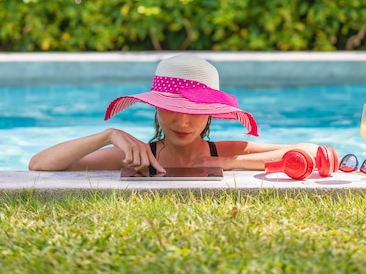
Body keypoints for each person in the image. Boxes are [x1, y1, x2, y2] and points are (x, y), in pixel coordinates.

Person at [28, 53, 318, 172]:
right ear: (156, 108)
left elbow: (313, 150)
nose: (183, 121)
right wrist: (108, 135)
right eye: (172, 109)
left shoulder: (224, 152)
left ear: (210, 115)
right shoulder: (139, 158)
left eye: (195, 112)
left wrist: (229, 162)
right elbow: (39, 164)